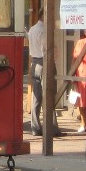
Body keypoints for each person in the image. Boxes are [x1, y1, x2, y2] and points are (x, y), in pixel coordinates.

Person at [27, 9, 60, 137]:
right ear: (44, 16)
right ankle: (51, 127)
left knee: (37, 95)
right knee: (50, 93)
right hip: (45, 62)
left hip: (35, 62)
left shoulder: (32, 29)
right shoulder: (44, 30)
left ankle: (35, 126)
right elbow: (49, 49)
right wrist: (54, 57)